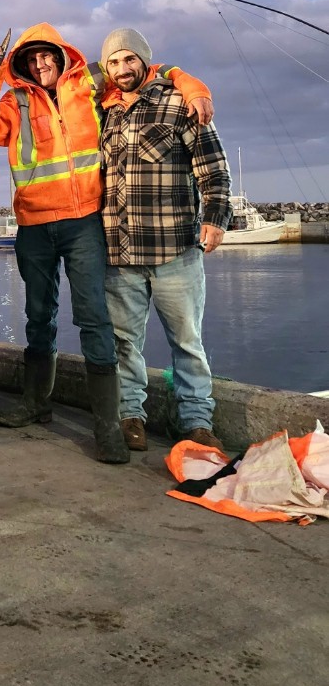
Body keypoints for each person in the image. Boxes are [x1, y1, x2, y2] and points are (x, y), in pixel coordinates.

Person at [0, 23, 212, 463]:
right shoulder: (15, 101)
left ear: (61, 55)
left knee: (94, 318)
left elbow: (145, 70)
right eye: (31, 59)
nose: (40, 63)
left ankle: (108, 426)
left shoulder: (89, 84)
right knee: (37, 316)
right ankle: (36, 403)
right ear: (22, 65)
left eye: (46, 55)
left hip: (85, 221)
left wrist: (190, 82)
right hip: (33, 225)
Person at [99, 28, 231, 452]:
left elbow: (213, 169)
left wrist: (215, 218)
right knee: (124, 344)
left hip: (175, 250)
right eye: (114, 62)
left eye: (129, 60)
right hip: (118, 254)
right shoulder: (103, 113)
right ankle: (130, 416)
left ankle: (195, 421)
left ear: (144, 62)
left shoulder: (179, 104)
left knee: (187, 342)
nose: (122, 69)